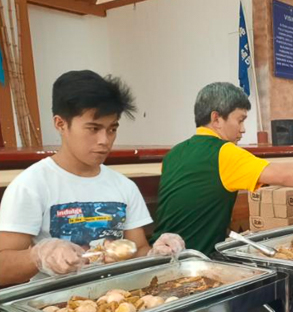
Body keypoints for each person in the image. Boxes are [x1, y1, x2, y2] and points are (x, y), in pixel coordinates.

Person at [0, 70, 184, 287]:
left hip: (120, 300)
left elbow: (138, 251)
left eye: (112, 129)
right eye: (93, 129)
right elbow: (3, 269)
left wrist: (157, 253)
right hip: (56, 307)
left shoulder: (124, 187)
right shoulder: (32, 186)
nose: (104, 140)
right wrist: (38, 256)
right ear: (60, 124)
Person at [151, 83, 293, 255]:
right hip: (193, 259)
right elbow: (285, 175)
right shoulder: (223, 151)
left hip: (159, 253)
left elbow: (195, 205)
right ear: (216, 118)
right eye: (240, 120)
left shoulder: (174, 154)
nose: (243, 129)